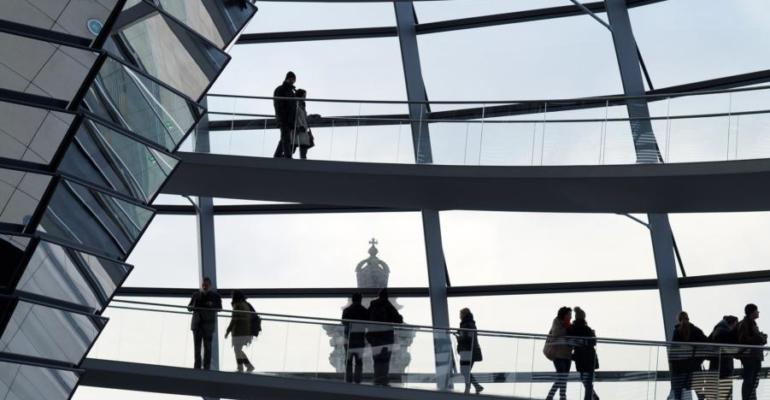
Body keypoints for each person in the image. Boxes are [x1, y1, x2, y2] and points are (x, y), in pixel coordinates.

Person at [366, 289, 404, 386]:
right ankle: (383, 379)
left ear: (379, 295)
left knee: (376, 358)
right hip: (386, 337)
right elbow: (399, 320)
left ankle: (377, 378)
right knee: (385, 359)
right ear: (387, 296)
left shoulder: (373, 304)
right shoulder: (388, 305)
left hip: (374, 337)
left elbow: (366, 317)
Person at [669, 311, 708, 400]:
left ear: (678, 320)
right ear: (688, 319)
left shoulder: (677, 332)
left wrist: (673, 365)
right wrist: (699, 359)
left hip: (679, 368)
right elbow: (707, 344)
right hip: (694, 366)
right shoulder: (696, 330)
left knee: (678, 394)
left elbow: (673, 352)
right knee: (700, 393)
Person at [188, 277, 222, 370]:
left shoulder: (215, 296)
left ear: (210, 286)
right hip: (197, 324)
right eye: (203, 285)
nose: (204, 287)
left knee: (207, 348)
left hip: (208, 325)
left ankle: (206, 368)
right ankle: (197, 367)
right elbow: (189, 307)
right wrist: (194, 305)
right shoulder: (196, 295)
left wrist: (211, 305)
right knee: (197, 348)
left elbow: (219, 308)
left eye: (206, 285)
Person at [568, 307, 599, 400]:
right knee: (588, 382)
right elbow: (593, 343)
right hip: (589, 358)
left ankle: (593, 397)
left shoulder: (573, 329)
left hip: (580, 358)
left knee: (585, 381)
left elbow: (571, 343)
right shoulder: (587, 329)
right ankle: (593, 397)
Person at [737, 304, 767, 400]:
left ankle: (751, 398)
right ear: (752, 312)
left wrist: (760, 337)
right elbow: (743, 340)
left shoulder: (751, 323)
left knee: (754, 381)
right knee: (749, 381)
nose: (758, 312)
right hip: (750, 357)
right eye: (756, 310)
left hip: (754, 356)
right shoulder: (745, 324)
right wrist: (760, 337)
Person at [706, 315, 739, 399]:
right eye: (736, 324)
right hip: (723, 366)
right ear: (732, 323)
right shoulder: (723, 331)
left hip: (718, 365)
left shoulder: (718, 330)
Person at [544, 306, 573, 400]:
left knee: (563, 378)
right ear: (564, 315)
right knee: (561, 377)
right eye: (569, 314)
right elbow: (556, 333)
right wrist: (567, 329)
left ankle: (560, 396)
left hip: (567, 355)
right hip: (558, 354)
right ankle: (555, 396)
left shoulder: (569, 324)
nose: (570, 316)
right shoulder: (557, 322)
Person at [225, 290, 255, 373]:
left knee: (237, 349)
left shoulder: (237, 305)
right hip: (247, 331)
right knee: (238, 349)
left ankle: (241, 367)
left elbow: (234, 319)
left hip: (239, 331)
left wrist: (228, 330)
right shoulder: (246, 304)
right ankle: (247, 366)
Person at [342, 293, 369, 384]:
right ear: (360, 300)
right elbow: (367, 323)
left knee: (348, 360)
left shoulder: (347, 310)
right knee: (359, 361)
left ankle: (348, 379)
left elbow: (344, 322)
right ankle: (358, 380)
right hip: (360, 338)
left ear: (352, 299)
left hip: (349, 338)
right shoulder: (364, 311)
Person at [456, 307, 484, 394]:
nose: (459, 316)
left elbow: (467, 338)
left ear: (464, 314)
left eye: (460, 314)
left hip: (468, 351)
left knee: (465, 370)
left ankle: (470, 388)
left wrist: (459, 338)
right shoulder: (470, 324)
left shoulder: (467, 324)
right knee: (466, 370)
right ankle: (476, 387)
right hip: (471, 350)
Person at [273, 71, 297, 159]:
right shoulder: (281, 89)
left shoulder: (291, 91)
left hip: (289, 119)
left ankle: (277, 156)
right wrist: (282, 117)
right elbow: (278, 105)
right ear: (288, 78)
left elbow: (293, 107)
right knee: (286, 138)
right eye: (292, 79)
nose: (293, 81)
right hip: (284, 118)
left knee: (284, 137)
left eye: (294, 80)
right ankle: (288, 157)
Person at [292, 89, 316, 159]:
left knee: (303, 147)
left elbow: (304, 117)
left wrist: (312, 116)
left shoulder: (302, 105)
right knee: (293, 147)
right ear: (300, 96)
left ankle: (303, 161)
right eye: (304, 95)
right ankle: (285, 159)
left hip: (303, 128)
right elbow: (295, 116)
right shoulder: (295, 104)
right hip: (298, 128)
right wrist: (299, 126)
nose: (305, 98)